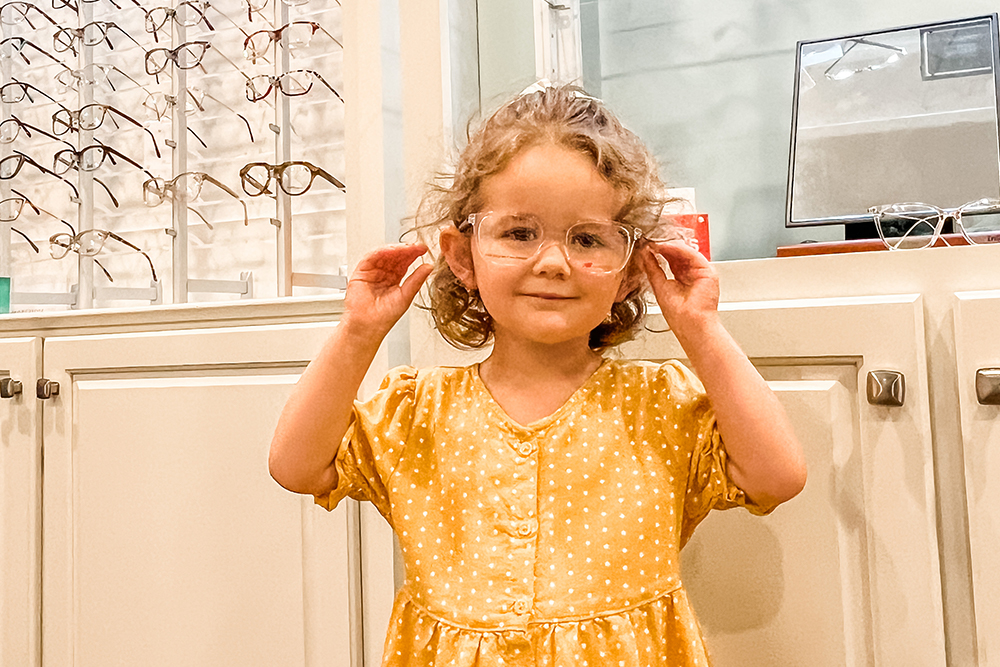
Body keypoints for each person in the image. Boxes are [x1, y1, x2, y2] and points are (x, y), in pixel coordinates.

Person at [268, 83, 807, 666]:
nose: (552, 262)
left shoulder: (657, 405)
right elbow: (297, 466)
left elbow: (775, 477)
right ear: (462, 255)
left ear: (630, 271)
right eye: (519, 234)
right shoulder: (417, 411)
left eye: (587, 239)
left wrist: (699, 327)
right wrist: (357, 333)